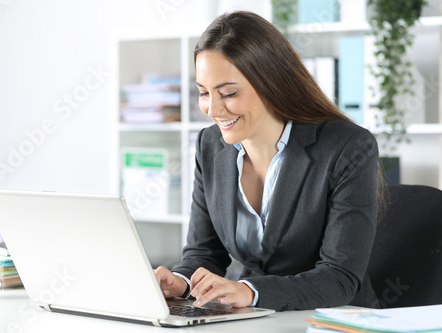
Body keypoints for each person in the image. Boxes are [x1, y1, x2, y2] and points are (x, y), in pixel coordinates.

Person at [154, 10, 381, 311]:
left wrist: (249, 291)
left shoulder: (347, 147)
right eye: (204, 93)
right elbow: (204, 254)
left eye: (229, 93)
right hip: (255, 319)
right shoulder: (209, 146)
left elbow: (339, 277)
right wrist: (182, 283)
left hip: (336, 320)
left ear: (271, 82)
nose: (213, 109)